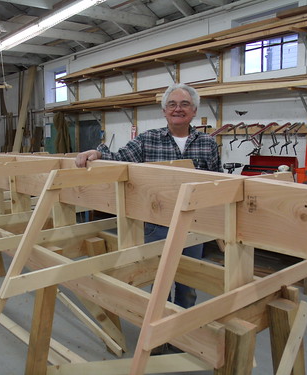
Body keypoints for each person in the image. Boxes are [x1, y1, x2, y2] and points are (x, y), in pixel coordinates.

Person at [75, 83, 222, 310]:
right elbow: (120, 157)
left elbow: (217, 181)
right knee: (159, 282)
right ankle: (158, 333)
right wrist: (97, 153)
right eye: (172, 104)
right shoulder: (147, 140)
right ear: (164, 111)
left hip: (194, 225)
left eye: (185, 104)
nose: (178, 109)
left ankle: (180, 329)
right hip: (157, 224)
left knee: (189, 283)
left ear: (194, 111)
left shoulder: (208, 144)